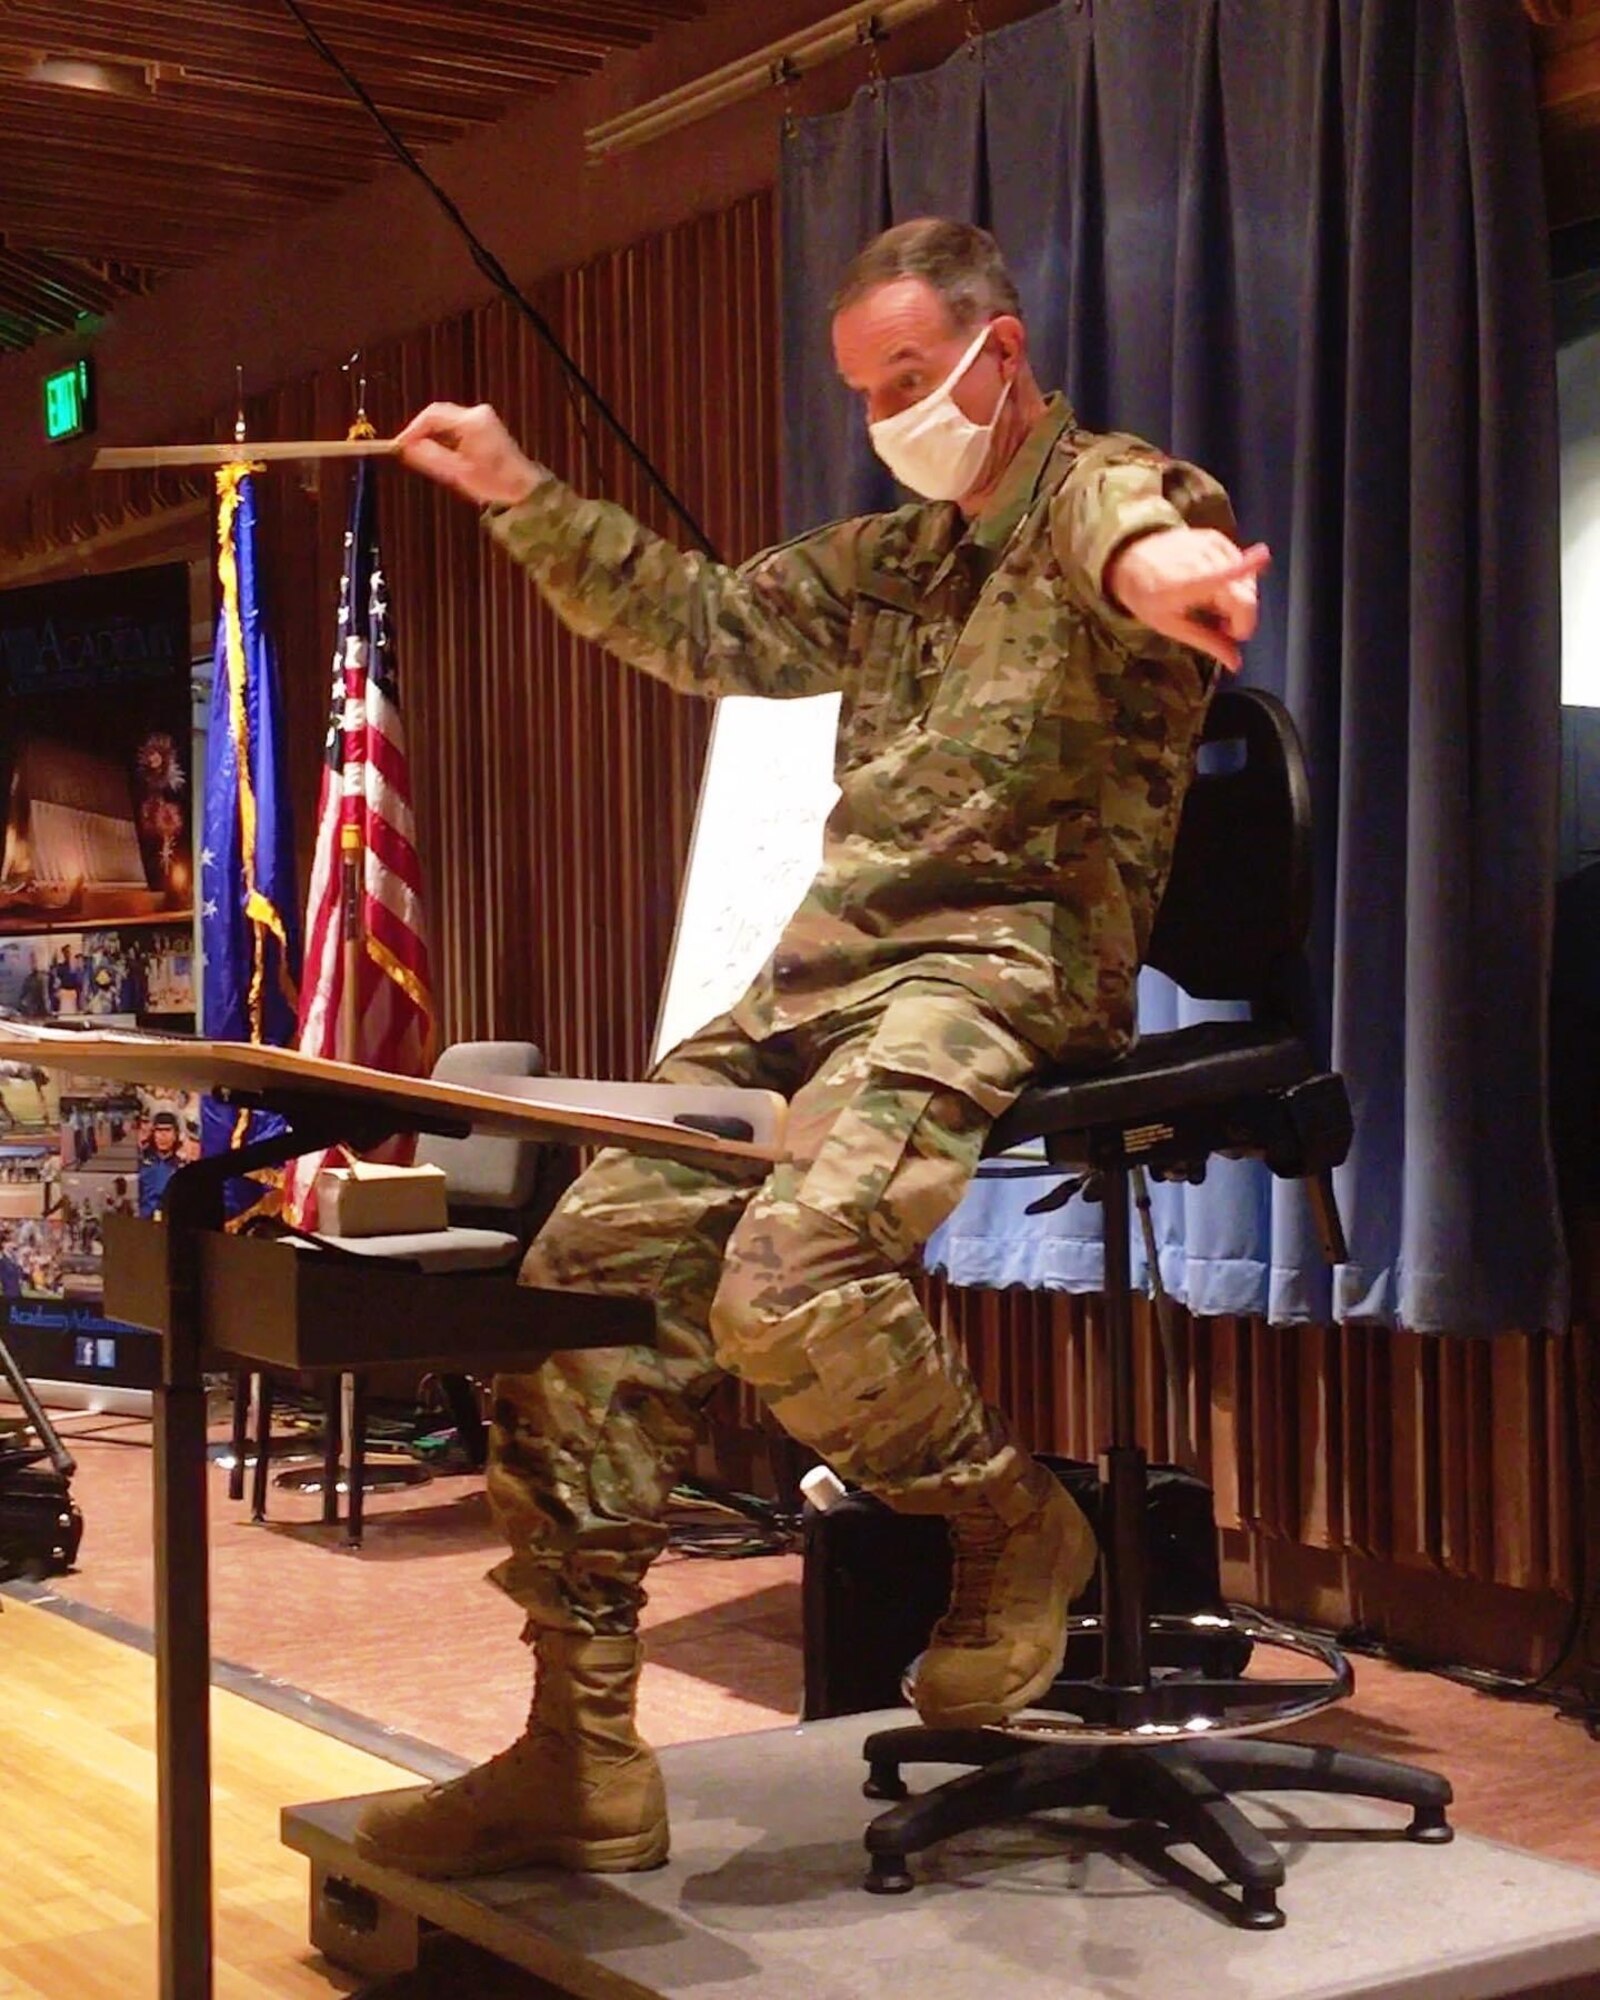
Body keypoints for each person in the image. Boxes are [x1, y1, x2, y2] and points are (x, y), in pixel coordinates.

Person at [358, 218, 1266, 1882]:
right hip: (821, 986)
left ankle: (1012, 1524)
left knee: (786, 1278)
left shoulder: (1108, 493)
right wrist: (513, 487)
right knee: (583, 1278)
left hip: (1005, 964)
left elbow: (1149, 542)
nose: (890, 416)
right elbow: (703, 624)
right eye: (865, 392)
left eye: (912, 379)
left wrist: (1171, 581)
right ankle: (581, 1747)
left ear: (1002, 353)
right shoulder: (897, 559)